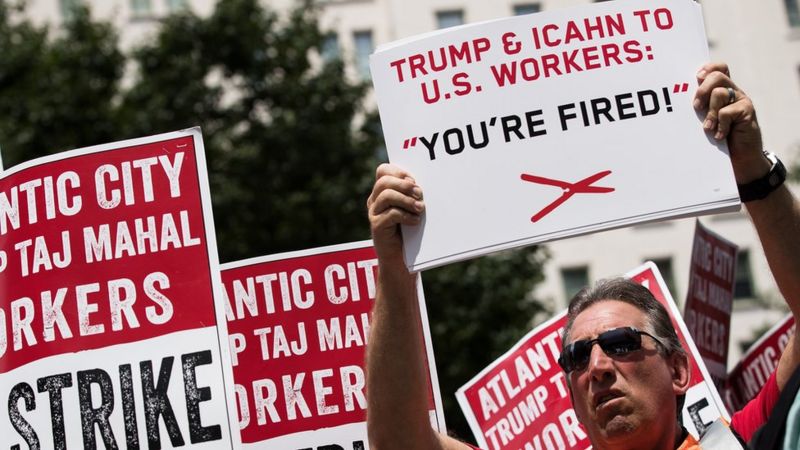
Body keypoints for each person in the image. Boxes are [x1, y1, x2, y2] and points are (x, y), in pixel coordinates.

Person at [364, 62, 800, 449]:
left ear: (680, 370)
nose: (597, 366)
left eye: (621, 343)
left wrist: (754, 173)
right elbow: (399, 441)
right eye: (576, 357)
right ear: (570, 395)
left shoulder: (740, 440)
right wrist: (397, 267)